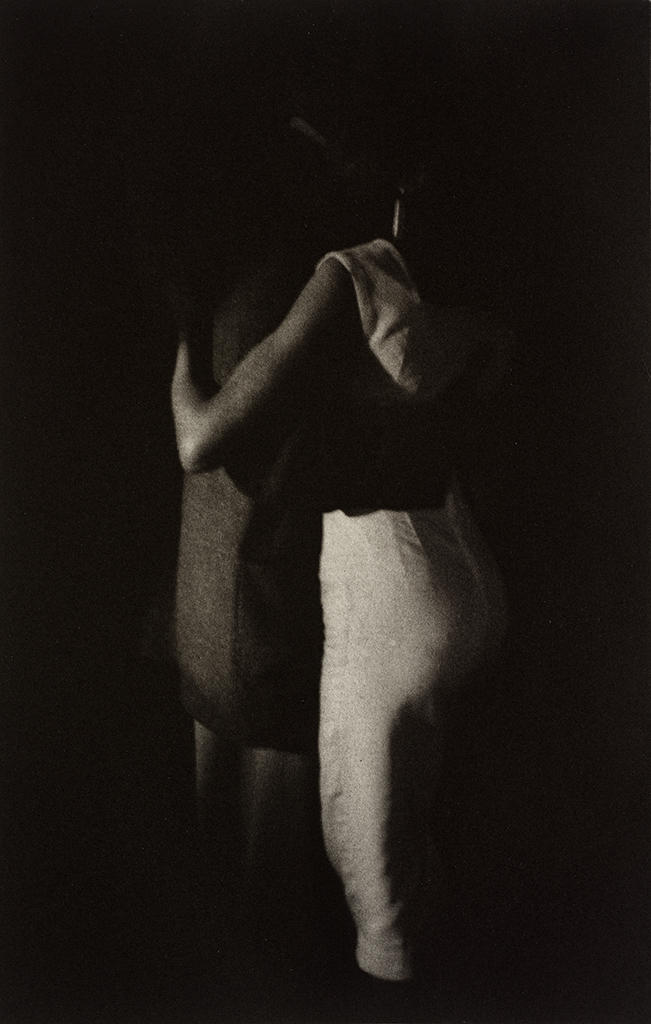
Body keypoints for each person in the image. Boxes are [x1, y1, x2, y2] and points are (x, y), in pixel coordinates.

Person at [171, 117, 509, 994]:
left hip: (392, 585)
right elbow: (479, 391)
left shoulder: (346, 273)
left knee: (366, 865)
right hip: (461, 564)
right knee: (408, 832)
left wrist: (185, 340)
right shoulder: (463, 295)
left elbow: (200, 442)